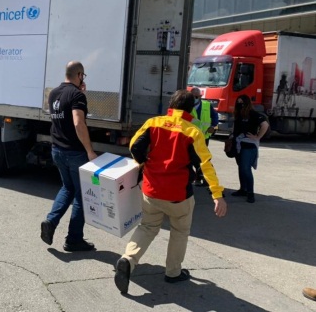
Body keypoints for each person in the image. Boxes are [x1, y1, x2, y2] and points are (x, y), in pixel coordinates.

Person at [114, 89, 227, 294]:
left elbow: (134, 146)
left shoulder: (153, 123)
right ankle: (173, 272)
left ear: (171, 105)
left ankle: (127, 260)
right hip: (178, 196)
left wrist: (144, 163)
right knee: (180, 231)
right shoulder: (193, 132)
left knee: (147, 227)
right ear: (191, 108)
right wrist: (217, 195)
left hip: (151, 190)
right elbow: (205, 164)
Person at [40, 61, 98, 252]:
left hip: (57, 150)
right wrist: (89, 150)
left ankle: (51, 221)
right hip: (74, 152)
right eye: (84, 75)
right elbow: (77, 122)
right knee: (81, 195)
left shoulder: (54, 93)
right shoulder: (76, 95)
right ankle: (74, 239)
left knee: (67, 188)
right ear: (79, 75)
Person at [230, 94, 269, 204]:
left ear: (247, 103)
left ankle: (250, 193)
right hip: (238, 144)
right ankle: (243, 189)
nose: (240, 105)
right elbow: (235, 128)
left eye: (242, 103)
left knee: (245, 168)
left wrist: (257, 137)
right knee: (241, 167)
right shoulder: (238, 115)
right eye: (238, 103)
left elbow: (265, 125)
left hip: (248, 145)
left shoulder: (253, 114)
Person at [190, 87, 219, 187]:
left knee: (203, 159)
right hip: (191, 137)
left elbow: (215, 116)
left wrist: (213, 126)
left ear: (200, 96)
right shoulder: (187, 106)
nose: (194, 98)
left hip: (204, 137)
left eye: (196, 96)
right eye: (192, 96)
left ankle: (204, 178)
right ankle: (198, 177)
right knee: (193, 158)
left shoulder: (207, 105)